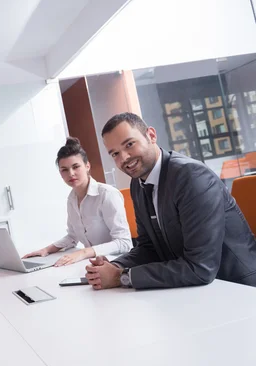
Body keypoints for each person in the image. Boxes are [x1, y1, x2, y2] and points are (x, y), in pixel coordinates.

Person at [86, 112, 256, 290]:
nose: (124, 158)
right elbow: (149, 248)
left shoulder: (191, 176)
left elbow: (200, 268)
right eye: (115, 154)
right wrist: (115, 266)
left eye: (129, 144)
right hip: (196, 288)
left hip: (238, 288)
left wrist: (122, 277)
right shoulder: (138, 184)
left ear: (151, 135)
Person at [23, 137, 132, 266]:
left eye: (76, 167)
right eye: (64, 170)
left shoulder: (107, 194)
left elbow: (124, 243)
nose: (71, 173)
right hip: (93, 264)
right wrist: (47, 250)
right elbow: (72, 236)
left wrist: (84, 253)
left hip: (117, 264)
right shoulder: (71, 199)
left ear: (87, 166)